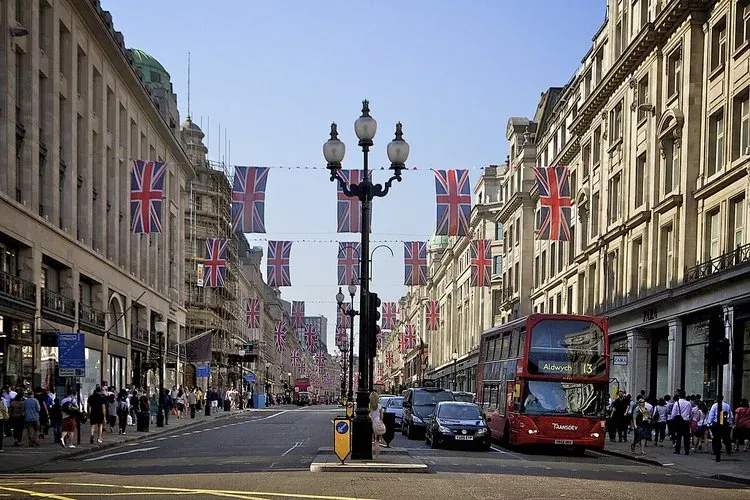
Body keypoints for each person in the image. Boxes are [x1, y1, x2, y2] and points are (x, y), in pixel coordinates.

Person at [707, 394, 733, 462]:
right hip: (725, 423)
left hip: (716, 423)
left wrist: (709, 423)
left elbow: (711, 415)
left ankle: (716, 450)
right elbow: (730, 414)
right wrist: (729, 422)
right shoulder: (727, 405)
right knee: (726, 437)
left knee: (715, 437)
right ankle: (728, 449)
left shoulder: (715, 405)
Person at [670, 390, 692, 455]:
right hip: (686, 421)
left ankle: (677, 450)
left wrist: (672, 419)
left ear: (679, 396)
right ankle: (686, 450)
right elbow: (690, 413)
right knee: (686, 437)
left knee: (678, 436)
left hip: (679, 421)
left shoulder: (677, 403)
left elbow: (673, 414)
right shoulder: (688, 403)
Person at [369, 391, 386, 458]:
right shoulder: (379, 406)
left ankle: (369, 453)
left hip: (370, 423)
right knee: (377, 441)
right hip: (377, 424)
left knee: (369, 439)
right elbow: (382, 416)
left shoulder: (369, 405)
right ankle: (376, 456)